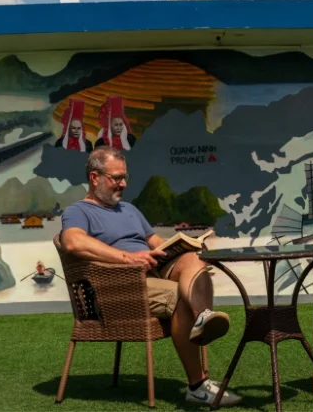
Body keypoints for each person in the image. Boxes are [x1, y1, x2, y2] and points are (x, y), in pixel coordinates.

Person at [59, 146, 241, 407]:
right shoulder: (78, 211)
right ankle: (197, 386)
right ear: (94, 177)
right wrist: (128, 258)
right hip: (118, 288)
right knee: (182, 297)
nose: (123, 183)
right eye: (116, 178)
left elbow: (156, 244)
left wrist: (186, 247)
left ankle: (203, 317)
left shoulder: (129, 210)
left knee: (193, 260)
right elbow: (73, 242)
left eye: (125, 177)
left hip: (150, 275)